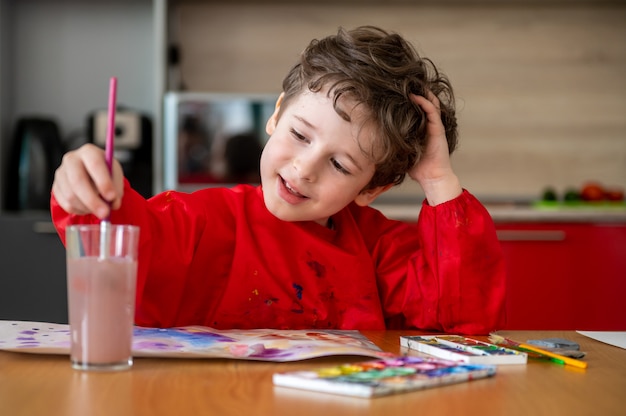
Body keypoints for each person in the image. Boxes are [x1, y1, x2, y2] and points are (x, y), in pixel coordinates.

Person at [51, 26, 506, 334]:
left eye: (341, 166)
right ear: (276, 115)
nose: (305, 168)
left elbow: (465, 319)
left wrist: (438, 179)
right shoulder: (205, 220)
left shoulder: (378, 250)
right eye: (299, 135)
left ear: (372, 189)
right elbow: (126, 239)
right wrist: (88, 189)